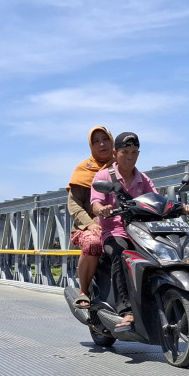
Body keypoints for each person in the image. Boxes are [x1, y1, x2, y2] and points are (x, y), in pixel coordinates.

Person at [90, 131, 184, 332]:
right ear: (115, 153)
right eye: (125, 152)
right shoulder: (104, 176)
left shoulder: (143, 179)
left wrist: (179, 207)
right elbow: (96, 203)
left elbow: (158, 201)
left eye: (134, 152)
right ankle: (126, 310)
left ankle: (175, 304)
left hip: (142, 231)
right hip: (115, 231)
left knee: (164, 253)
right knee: (121, 253)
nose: (131, 157)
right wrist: (102, 210)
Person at [67, 125, 115, 308]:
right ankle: (84, 291)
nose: (102, 144)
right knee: (93, 243)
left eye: (105, 139)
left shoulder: (122, 166)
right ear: (91, 146)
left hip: (117, 224)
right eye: (96, 141)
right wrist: (89, 224)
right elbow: (74, 205)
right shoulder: (83, 171)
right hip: (88, 227)